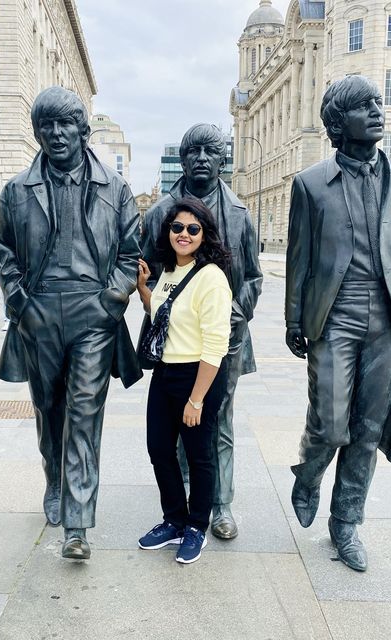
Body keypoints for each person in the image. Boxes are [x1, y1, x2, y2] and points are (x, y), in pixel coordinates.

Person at [285, 75, 391, 571]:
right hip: (334, 316)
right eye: (363, 106)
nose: (378, 111)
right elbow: (300, 259)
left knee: (368, 429)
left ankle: (346, 522)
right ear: (337, 123)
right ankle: (309, 472)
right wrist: (295, 319)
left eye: (379, 103)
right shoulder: (310, 184)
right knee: (331, 426)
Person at [0, 86, 141, 560]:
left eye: (65, 124)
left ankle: (77, 524)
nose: (56, 134)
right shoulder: (16, 190)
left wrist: (110, 302)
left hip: (92, 313)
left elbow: (129, 254)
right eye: (46, 125)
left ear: (83, 128)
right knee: (48, 408)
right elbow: (4, 252)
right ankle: (54, 480)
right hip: (38, 312)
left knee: (84, 412)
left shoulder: (115, 190)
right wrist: (20, 303)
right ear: (37, 131)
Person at [141, 124, 261, 540]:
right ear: (183, 158)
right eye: (193, 151)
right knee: (174, 427)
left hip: (224, 340)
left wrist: (235, 313)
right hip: (176, 346)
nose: (202, 159)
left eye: (211, 151)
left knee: (219, 422)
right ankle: (187, 504)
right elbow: (148, 272)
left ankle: (221, 503)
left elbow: (253, 278)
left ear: (223, 159)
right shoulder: (160, 213)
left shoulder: (241, 213)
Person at [137, 197, 232, 564]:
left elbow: (216, 344)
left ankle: (196, 527)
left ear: (204, 235)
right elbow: (163, 315)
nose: (184, 234)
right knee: (159, 449)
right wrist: (146, 289)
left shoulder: (211, 278)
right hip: (166, 372)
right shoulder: (169, 272)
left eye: (193, 229)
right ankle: (173, 519)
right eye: (178, 227)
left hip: (199, 374)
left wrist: (196, 400)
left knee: (199, 455)